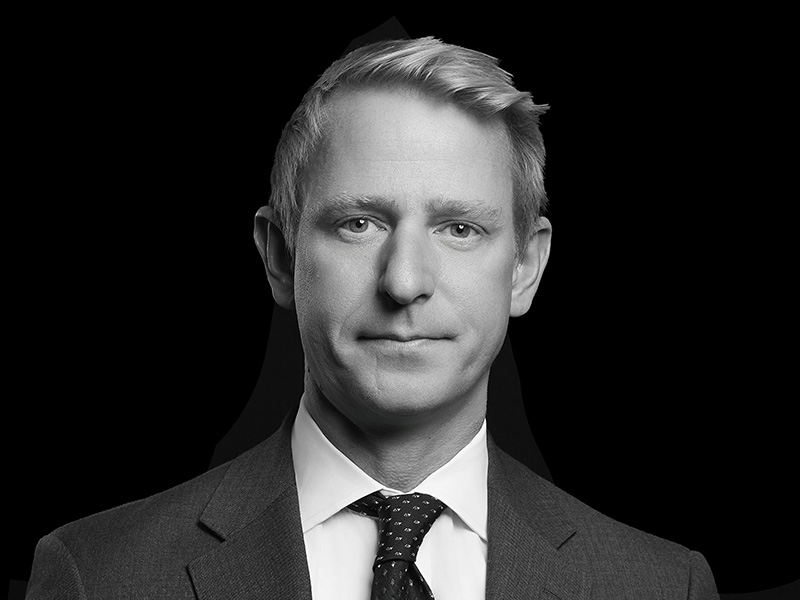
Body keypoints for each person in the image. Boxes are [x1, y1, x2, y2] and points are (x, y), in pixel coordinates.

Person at [25, 36, 719, 599]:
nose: (405, 282)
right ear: (280, 257)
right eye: (359, 223)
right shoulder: (97, 577)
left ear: (525, 267)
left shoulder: (663, 587)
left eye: (459, 229)